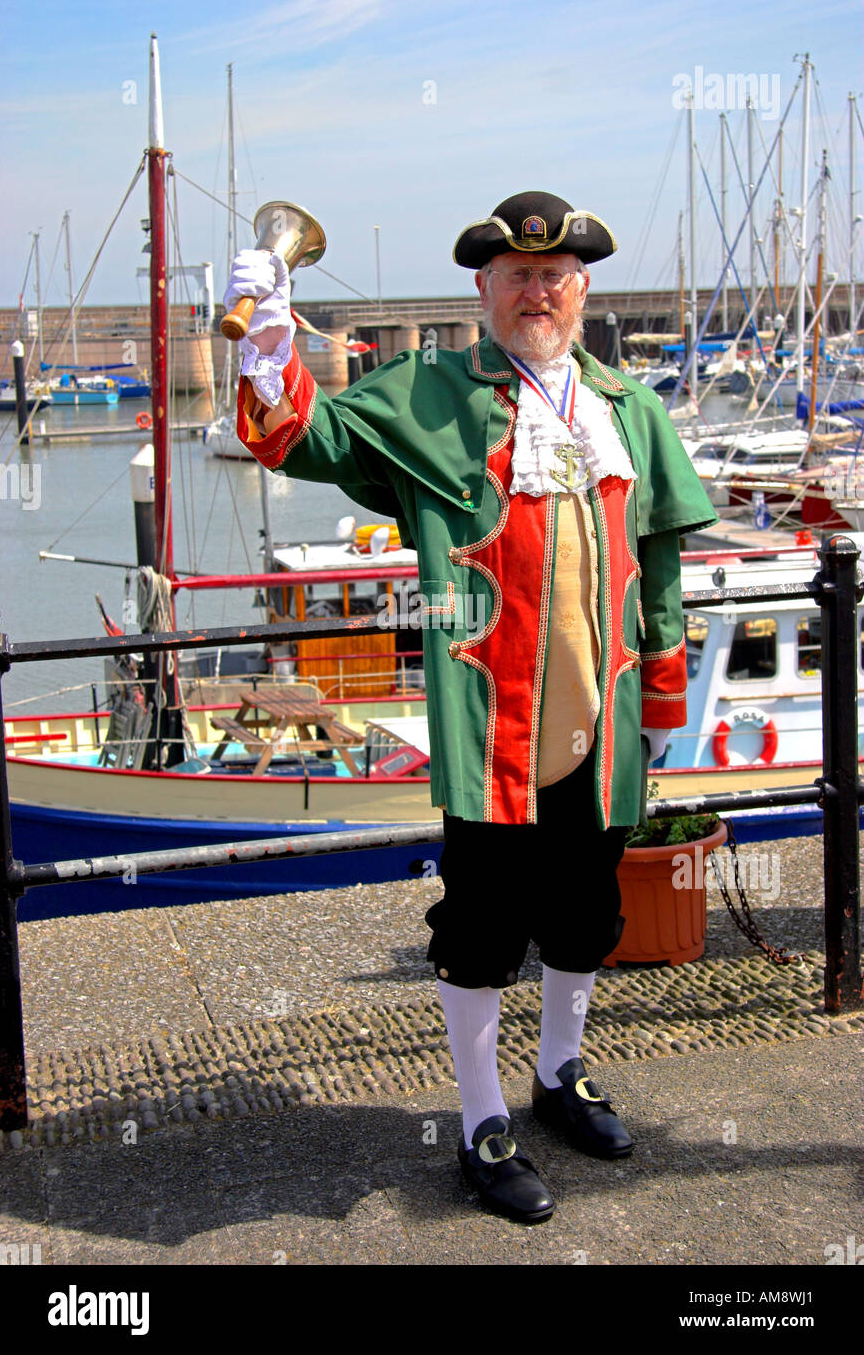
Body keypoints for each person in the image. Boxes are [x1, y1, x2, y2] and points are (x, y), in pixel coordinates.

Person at [225, 191, 718, 1224]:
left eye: (554, 274)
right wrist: (270, 337)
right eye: (514, 275)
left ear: (580, 289)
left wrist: (664, 685)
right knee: (483, 925)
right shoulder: (432, 395)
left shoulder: (627, 408)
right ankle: (481, 1117)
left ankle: (559, 1073)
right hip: (495, 720)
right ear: (483, 291)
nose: (535, 290)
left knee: (588, 912)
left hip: (607, 715)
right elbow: (295, 441)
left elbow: (663, 560)